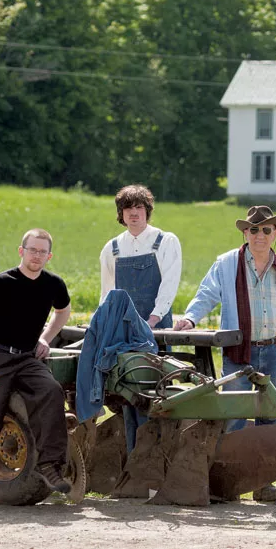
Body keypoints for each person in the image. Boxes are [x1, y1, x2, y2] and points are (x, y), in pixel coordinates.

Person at [175, 205, 276, 503]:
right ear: (245, 233)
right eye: (254, 229)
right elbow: (207, 294)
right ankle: (228, 484)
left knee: (270, 417)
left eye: (266, 229)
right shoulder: (227, 264)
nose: (260, 235)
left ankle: (263, 484)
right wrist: (190, 319)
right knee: (234, 416)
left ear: (275, 234)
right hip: (239, 352)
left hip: (274, 350)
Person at [0, 229, 73, 511]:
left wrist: (45, 338)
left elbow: (63, 311)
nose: (37, 256)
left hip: (28, 358)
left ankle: (49, 465)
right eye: (32, 250)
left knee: (52, 392)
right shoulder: (2, 282)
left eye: (42, 252)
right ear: (21, 251)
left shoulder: (53, 284)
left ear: (49, 256)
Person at [99, 184, 182, 452]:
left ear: (147, 211)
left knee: (156, 395)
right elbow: (107, 293)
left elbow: (169, 283)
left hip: (155, 330)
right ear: (120, 214)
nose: (133, 213)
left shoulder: (165, 241)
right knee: (127, 396)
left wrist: (154, 319)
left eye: (139, 207)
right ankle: (134, 458)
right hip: (123, 335)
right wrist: (103, 327)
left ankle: (158, 457)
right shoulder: (112, 248)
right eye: (128, 208)